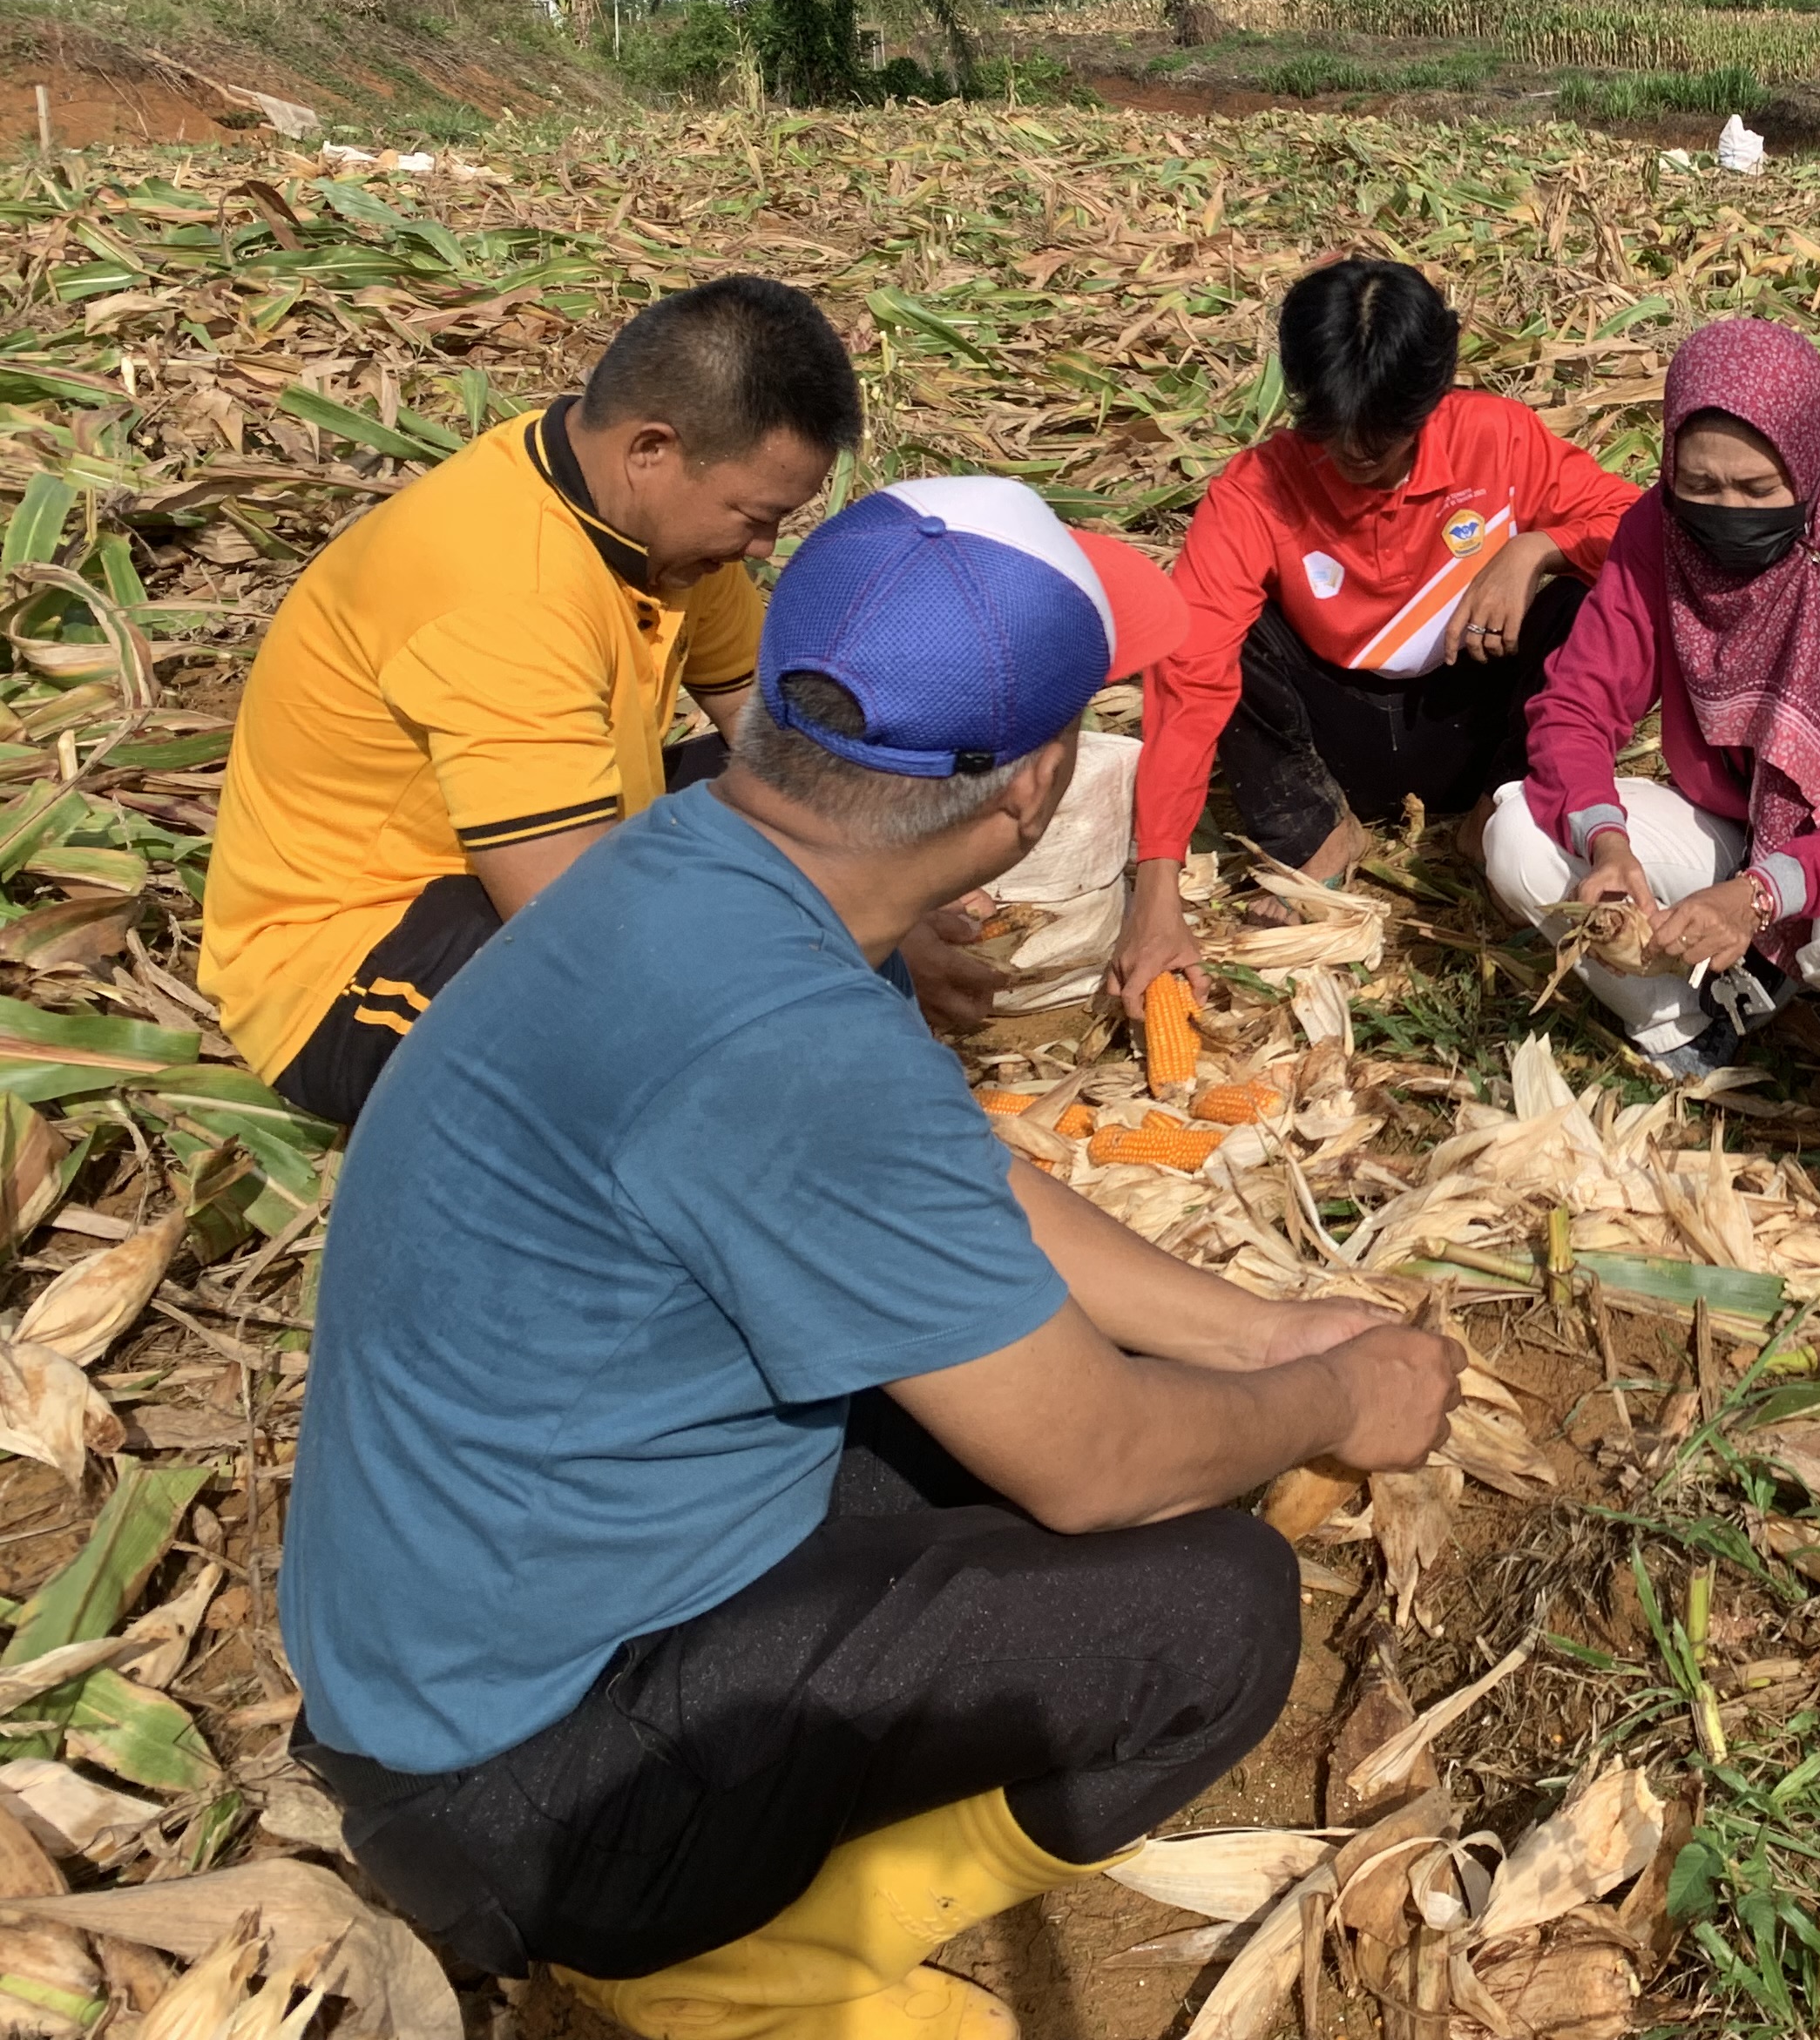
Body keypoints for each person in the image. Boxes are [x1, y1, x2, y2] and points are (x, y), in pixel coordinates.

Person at [280, 474, 1466, 2040]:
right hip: (536, 1780)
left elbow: (945, 1183)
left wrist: (1257, 1336)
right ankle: (724, 1959)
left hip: (450, 1645)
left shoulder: (686, 867)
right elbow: (1093, 1464)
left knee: (1139, 1402)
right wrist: (1334, 1404)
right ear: (1031, 789)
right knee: (1212, 1604)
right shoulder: (786, 1044)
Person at [206, 274, 984, 1127]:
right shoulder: (503, 593)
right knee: (693, 1043)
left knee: (787, 790)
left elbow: (772, 739)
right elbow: (579, 930)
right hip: (359, 960)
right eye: (755, 515)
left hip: (548, 853)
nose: (766, 546)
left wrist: (891, 878)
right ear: (650, 450)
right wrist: (858, 930)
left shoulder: (662, 532)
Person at [1484, 317, 1820, 1099]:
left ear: (1814, 460)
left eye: (1759, 490)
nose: (1728, 511)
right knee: (1521, 836)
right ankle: (1681, 1028)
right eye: (1701, 486)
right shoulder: (1657, 531)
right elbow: (1578, 704)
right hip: (1741, 819)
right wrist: (1609, 846)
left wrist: (1759, 896)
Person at [1113, 257, 1636, 997]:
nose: (1356, 451)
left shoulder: (1501, 440)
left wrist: (1537, 549)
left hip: (1468, 717)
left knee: (1591, 607)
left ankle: (1494, 817)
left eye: (1385, 430)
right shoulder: (1255, 491)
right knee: (1215, 631)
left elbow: (1641, 530)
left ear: (1433, 393)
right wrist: (1156, 892)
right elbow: (1188, 679)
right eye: (1331, 428)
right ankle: (1318, 833)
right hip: (1335, 732)